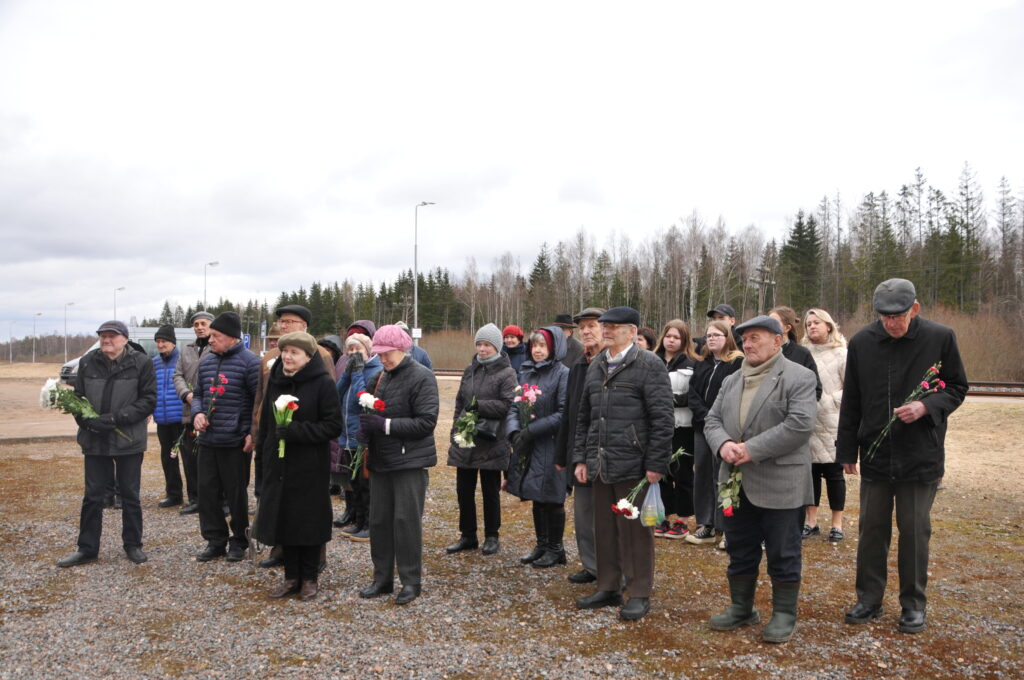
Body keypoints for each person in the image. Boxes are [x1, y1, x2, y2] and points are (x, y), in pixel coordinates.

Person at [837, 279, 967, 634]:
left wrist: (927, 406)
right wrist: (846, 449)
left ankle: (913, 604)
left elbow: (957, 387)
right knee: (871, 530)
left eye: (898, 316)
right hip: (876, 453)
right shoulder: (862, 342)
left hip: (920, 454)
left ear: (915, 309)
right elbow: (852, 400)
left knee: (914, 532)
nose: (891, 323)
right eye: (885, 316)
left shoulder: (940, 338)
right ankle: (869, 599)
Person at [704, 315, 817, 644]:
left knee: (783, 551)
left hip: (781, 482)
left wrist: (750, 450)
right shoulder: (731, 380)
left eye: (756, 338)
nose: (748, 344)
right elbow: (712, 420)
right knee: (740, 548)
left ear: (778, 340)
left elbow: (799, 425)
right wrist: (723, 445)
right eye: (745, 339)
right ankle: (742, 608)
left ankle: (784, 614)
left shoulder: (799, 376)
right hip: (735, 482)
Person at [572, 306, 674, 621]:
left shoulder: (649, 365)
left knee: (634, 532)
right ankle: (609, 586)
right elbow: (585, 416)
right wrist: (581, 457)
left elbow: (662, 419)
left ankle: (639, 592)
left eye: (613, 327)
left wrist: (656, 463)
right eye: (605, 326)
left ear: (632, 331)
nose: (606, 330)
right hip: (600, 463)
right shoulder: (597, 364)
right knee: (603, 528)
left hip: (634, 464)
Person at [57, 321, 157, 568]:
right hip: (95, 439)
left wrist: (115, 419)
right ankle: (87, 548)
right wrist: (87, 422)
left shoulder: (141, 362)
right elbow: (77, 398)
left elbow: (148, 400)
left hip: (128, 440)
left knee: (130, 495)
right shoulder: (88, 362)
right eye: (102, 336)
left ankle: (133, 545)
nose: (106, 340)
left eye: (111, 336)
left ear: (124, 339)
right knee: (93, 496)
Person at [254, 332, 342, 601]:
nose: (287, 356)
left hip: (309, 465)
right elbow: (267, 423)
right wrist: (264, 454)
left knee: (308, 521)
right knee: (285, 520)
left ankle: (310, 578)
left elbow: (333, 426)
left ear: (308, 356)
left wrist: (296, 431)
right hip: (279, 464)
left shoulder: (323, 383)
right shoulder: (277, 380)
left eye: (294, 352)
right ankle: (291, 577)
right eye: (285, 351)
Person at [356, 325, 439, 606]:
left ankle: (410, 581)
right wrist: (365, 429)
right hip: (381, 461)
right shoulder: (378, 377)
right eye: (378, 354)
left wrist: (385, 425)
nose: (382, 359)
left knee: (405, 522)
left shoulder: (422, 377)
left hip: (409, 463)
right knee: (379, 522)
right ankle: (382, 578)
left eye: (387, 353)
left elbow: (426, 422)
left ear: (402, 349)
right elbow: (369, 412)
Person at [192, 311, 261, 563]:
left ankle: (239, 540)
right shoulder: (206, 362)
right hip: (208, 439)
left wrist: (252, 433)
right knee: (207, 492)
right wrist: (197, 413)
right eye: (210, 336)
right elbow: (198, 393)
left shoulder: (250, 363)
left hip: (235, 441)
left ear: (232, 337)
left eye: (216, 336)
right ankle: (215, 540)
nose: (210, 340)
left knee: (235, 494)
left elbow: (258, 402)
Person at [445, 323, 516, 556]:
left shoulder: (507, 373)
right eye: (479, 344)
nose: (482, 349)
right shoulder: (470, 370)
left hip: (491, 440)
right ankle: (468, 535)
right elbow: (460, 403)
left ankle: (492, 536)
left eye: (487, 345)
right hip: (467, 437)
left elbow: (508, 405)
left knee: (489, 491)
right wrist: (455, 431)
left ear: (497, 347)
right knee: (463, 490)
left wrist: (478, 406)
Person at [506, 326, 570, 568]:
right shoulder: (527, 372)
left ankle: (556, 548)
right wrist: (514, 431)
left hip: (551, 443)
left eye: (542, 345)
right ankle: (542, 544)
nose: (537, 350)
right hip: (529, 443)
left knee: (553, 496)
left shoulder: (563, 374)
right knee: (536, 494)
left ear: (553, 348)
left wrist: (532, 430)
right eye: (534, 345)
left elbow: (563, 413)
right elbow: (515, 405)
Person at [554, 307, 605, 585]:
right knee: (584, 516)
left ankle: (613, 571)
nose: (586, 331)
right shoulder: (578, 366)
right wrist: (563, 453)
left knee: (609, 517)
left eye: (592, 326)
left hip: (608, 454)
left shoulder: (614, 363)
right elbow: (570, 414)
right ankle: (592, 565)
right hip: (580, 453)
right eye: (582, 327)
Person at [685, 320, 744, 548]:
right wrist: (705, 416)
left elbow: (736, 395)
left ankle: (728, 528)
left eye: (716, 335)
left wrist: (717, 419)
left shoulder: (737, 363)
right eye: (708, 335)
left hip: (726, 430)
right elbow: (692, 393)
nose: (711, 339)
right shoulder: (702, 363)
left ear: (727, 338)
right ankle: (706, 524)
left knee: (725, 475)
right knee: (702, 474)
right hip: (702, 428)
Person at [800, 308, 848, 542]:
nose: (812, 326)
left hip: (832, 422)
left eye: (816, 322)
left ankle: (837, 524)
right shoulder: (803, 353)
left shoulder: (842, 353)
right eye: (808, 324)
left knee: (834, 474)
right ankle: (811, 522)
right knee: (810, 474)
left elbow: (852, 388)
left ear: (828, 325)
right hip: (807, 421)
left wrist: (831, 401)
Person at [653, 319, 699, 539]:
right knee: (660, 473)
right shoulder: (653, 360)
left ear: (684, 340)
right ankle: (664, 516)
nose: (671, 340)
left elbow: (695, 395)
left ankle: (682, 519)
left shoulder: (692, 363)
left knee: (682, 474)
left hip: (683, 426)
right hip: (657, 427)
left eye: (676, 337)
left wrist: (670, 400)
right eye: (668, 336)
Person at [335, 332, 383, 542]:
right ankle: (358, 520)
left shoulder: (375, 370)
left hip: (362, 437)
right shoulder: (352, 370)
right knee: (353, 482)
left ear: (368, 350)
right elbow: (337, 394)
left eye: (358, 349)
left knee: (365, 483)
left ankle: (369, 525)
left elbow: (361, 397)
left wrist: (356, 373)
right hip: (347, 435)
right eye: (350, 350)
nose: (353, 353)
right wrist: (347, 373)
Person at [173, 311, 215, 515]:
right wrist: (186, 394)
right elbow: (177, 375)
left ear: (212, 326)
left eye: (203, 323)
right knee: (190, 458)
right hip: (189, 411)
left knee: (210, 461)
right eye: (196, 324)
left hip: (211, 411)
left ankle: (216, 499)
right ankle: (195, 499)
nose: (199, 327)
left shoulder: (216, 347)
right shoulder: (186, 350)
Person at [152, 325, 185, 508]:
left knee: (188, 459)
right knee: (167, 458)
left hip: (181, 417)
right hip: (162, 418)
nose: (160, 345)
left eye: (163, 341)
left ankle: (196, 496)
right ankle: (174, 494)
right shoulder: (154, 362)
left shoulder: (182, 359)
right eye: (157, 342)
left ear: (173, 342)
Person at [768, 306, 822, 401]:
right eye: (768, 322)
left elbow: (815, 390)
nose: (768, 326)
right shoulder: (763, 353)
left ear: (787, 328)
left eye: (774, 323)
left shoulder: (802, 354)